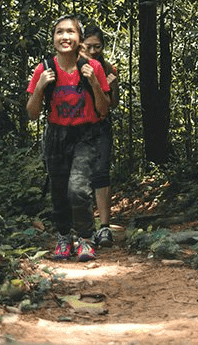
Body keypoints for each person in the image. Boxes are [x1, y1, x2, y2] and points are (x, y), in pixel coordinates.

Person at [26, 15, 110, 262]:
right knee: (59, 190)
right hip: (56, 135)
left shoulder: (93, 68)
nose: (65, 37)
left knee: (78, 189)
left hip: (85, 134)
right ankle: (64, 237)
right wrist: (40, 86)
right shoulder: (44, 68)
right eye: (60, 32)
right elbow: (32, 113)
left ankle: (86, 238)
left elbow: (103, 110)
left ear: (79, 38)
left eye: (71, 32)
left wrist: (94, 82)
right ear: (53, 39)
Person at [81, 25, 120, 248]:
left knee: (101, 173)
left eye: (98, 46)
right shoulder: (72, 67)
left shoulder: (108, 68)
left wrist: (112, 86)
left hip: (101, 126)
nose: (94, 50)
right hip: (77, 128)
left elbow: (113, 103)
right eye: (89, 46)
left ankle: (104, 228)